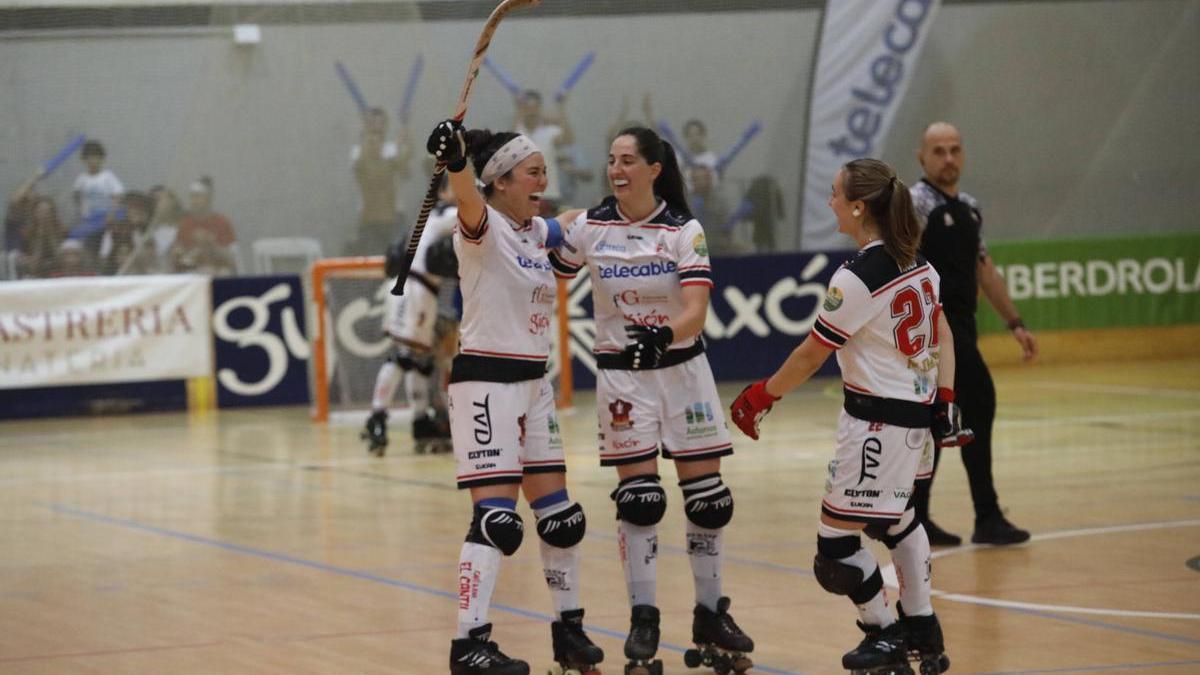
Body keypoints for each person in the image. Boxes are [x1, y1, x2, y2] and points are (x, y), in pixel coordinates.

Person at [729, 158, 962, 674]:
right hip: (916, 421)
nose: (829, 202)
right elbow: (943, 331)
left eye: (835, 194)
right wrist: (945, 396)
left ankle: (887, 635)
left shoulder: (857, 277)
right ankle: (922, 625)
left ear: (859, 206)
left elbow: (812, 353)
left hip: (877, 425)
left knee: (834, 551)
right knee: (898, 520)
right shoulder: (920, 264)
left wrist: (762, 396)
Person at [547, 127, 754, 674]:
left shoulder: (683, 229)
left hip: (683, 372)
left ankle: (711, 613)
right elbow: (547, 264)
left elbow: (695, 309)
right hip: (623, 379)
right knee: (639, 502)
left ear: (655, 168)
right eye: (610, 159)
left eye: (628, 160)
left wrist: (666, 333)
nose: (616, 169)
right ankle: (644, 617)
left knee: (708, 501)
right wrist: (553, 220)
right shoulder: (591, 227)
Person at [425, 119, 603, 675]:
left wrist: (619, 211)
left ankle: (569, 631)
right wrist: (456, 161)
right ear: (500, 181)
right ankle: (468, 643)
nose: (542, 182)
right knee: (497, 521)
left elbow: (567, 223)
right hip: (486, 383)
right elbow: (466, 200)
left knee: (561, 518)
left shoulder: (533, 232)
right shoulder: (483, 227)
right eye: (533, 173)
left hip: (533, 384)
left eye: (544, 172)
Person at [910, 121, 1035, 547]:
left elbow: (985, 269)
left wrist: (1015, 323)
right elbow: (896, 261)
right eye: (939, 151)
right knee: (978, 402)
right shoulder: (916, 204)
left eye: (955, 150)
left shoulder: (968, 207)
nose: (948, 158)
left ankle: (916, 517)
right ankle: (986, 515)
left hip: (963, 324)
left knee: (938, 420)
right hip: (933, 328)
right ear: (922, 157)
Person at [362, 174, 458, 456]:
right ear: (441, 193)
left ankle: (419, 420)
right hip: (412, 287)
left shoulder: (433, 219)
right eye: (454, 187)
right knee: (404, 355)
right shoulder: (442, 214)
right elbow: (476, 216)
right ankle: (376, 417)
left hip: (421, 290)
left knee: (420, 357)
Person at [348, 107, 412, 256]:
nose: (377, 125)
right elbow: (362, 172)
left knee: (398, 256)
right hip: (368, 217)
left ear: (386, 124)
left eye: (381, 122)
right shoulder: (358, 151)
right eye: (372, 122)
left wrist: (406, 136)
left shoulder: (393, 149)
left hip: (393, 214)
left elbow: (406, 173)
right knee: (368, 258)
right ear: (366, 124)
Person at [513, 90, 574, 214]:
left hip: (549, 194)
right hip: (524, 196)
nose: (531, 111)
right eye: (528, 107)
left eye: (534, 107)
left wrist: (561, 108)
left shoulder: (550, 132)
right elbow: (509, 143)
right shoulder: (518, 133)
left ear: (539, 108)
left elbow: (569, 139)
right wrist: (518, 109)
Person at [170, 177, 237, 275]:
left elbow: (233, 260)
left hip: (219, 275)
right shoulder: (185, 224)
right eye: (192, 197)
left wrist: (212, 245)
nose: (195, 201)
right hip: (193, 275)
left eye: (198, 197)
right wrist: (178, 255)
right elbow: (179, 259)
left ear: (208, 199)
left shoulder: (222, 222)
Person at [72, 140, 124, 242]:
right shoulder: (81, 179)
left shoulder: (108, 176)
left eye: (95, 157)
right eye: (89, 158)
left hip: (106, 219)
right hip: (89, 220)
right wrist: (83, 210)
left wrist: (112, 213)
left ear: (102, 159)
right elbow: (76, 196)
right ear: (84, 160)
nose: (92, 161)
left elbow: (118, 195)